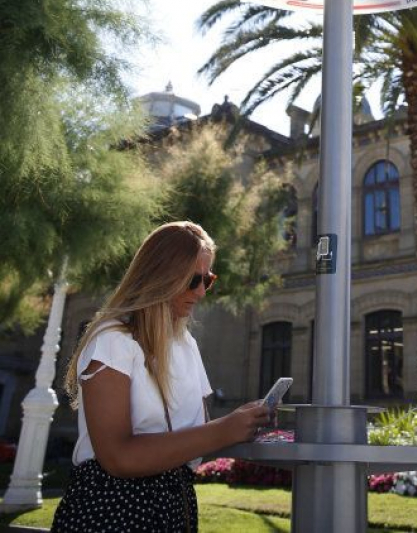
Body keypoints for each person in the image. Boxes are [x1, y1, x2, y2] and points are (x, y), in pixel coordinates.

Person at [51, 221, 270, 533]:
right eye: (193, 280)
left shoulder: (185, 344)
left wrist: (241, 423)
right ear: (161, 276)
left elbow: (194, 439)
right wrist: (224, 430)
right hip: (112, 510)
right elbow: (117, 457)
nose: (201, 292)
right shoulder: (113, 341)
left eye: (207, 280)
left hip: (175, 508)